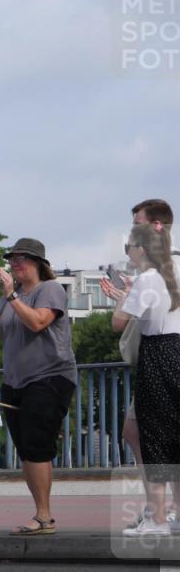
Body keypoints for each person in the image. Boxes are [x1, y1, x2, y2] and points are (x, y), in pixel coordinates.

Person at [0, 238, 77, 535]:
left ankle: (44, 517)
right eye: (12, 260)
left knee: (37, 445)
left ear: (38, 262)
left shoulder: (49, 289)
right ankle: (41, 514)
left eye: (21, 259)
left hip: (49, 376)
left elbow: (38, 322)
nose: (15, 264)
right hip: (16, 380)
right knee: (26, 448)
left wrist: (11, 296)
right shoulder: (11, 295)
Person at [102, 198, 179, 531]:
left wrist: (123, 297)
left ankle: (157, 516)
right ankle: (171, 513)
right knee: (168, 434)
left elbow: (119, 322)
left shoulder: (148, 277)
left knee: (154, 437)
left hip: (158, 355)